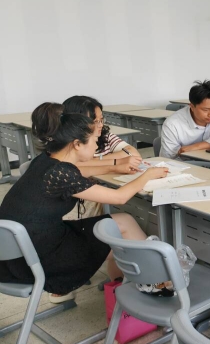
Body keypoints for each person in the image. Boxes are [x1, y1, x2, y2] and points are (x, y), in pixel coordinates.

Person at [0, 103, 168, 303]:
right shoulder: (61, 172)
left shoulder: (46, 161)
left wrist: (115, 167)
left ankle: (126, 284)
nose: (97, 147)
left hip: (16, 254)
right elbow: (119, 198)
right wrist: (148, 175)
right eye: (95, 141)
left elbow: (80, 171)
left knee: (122, 222)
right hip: (41, 258)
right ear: (77, 144)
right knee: (121, 229)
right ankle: (156, 284)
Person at [62, 95, 143, 219]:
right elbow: (75, 167)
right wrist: (117, 161)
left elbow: (133, 153)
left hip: (105, 193)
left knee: (134, 210)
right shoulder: (67, 146)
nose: (100, 125)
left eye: (101, 120)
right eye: (95, 121)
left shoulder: (105, 136)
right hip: (82, 205)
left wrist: (97, 161)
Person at [160, 80, 210, 159]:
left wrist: (196, 147)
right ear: (192, 107)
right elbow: (168, 159)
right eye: (205, 110)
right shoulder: (172, 124)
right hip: (184, 164)